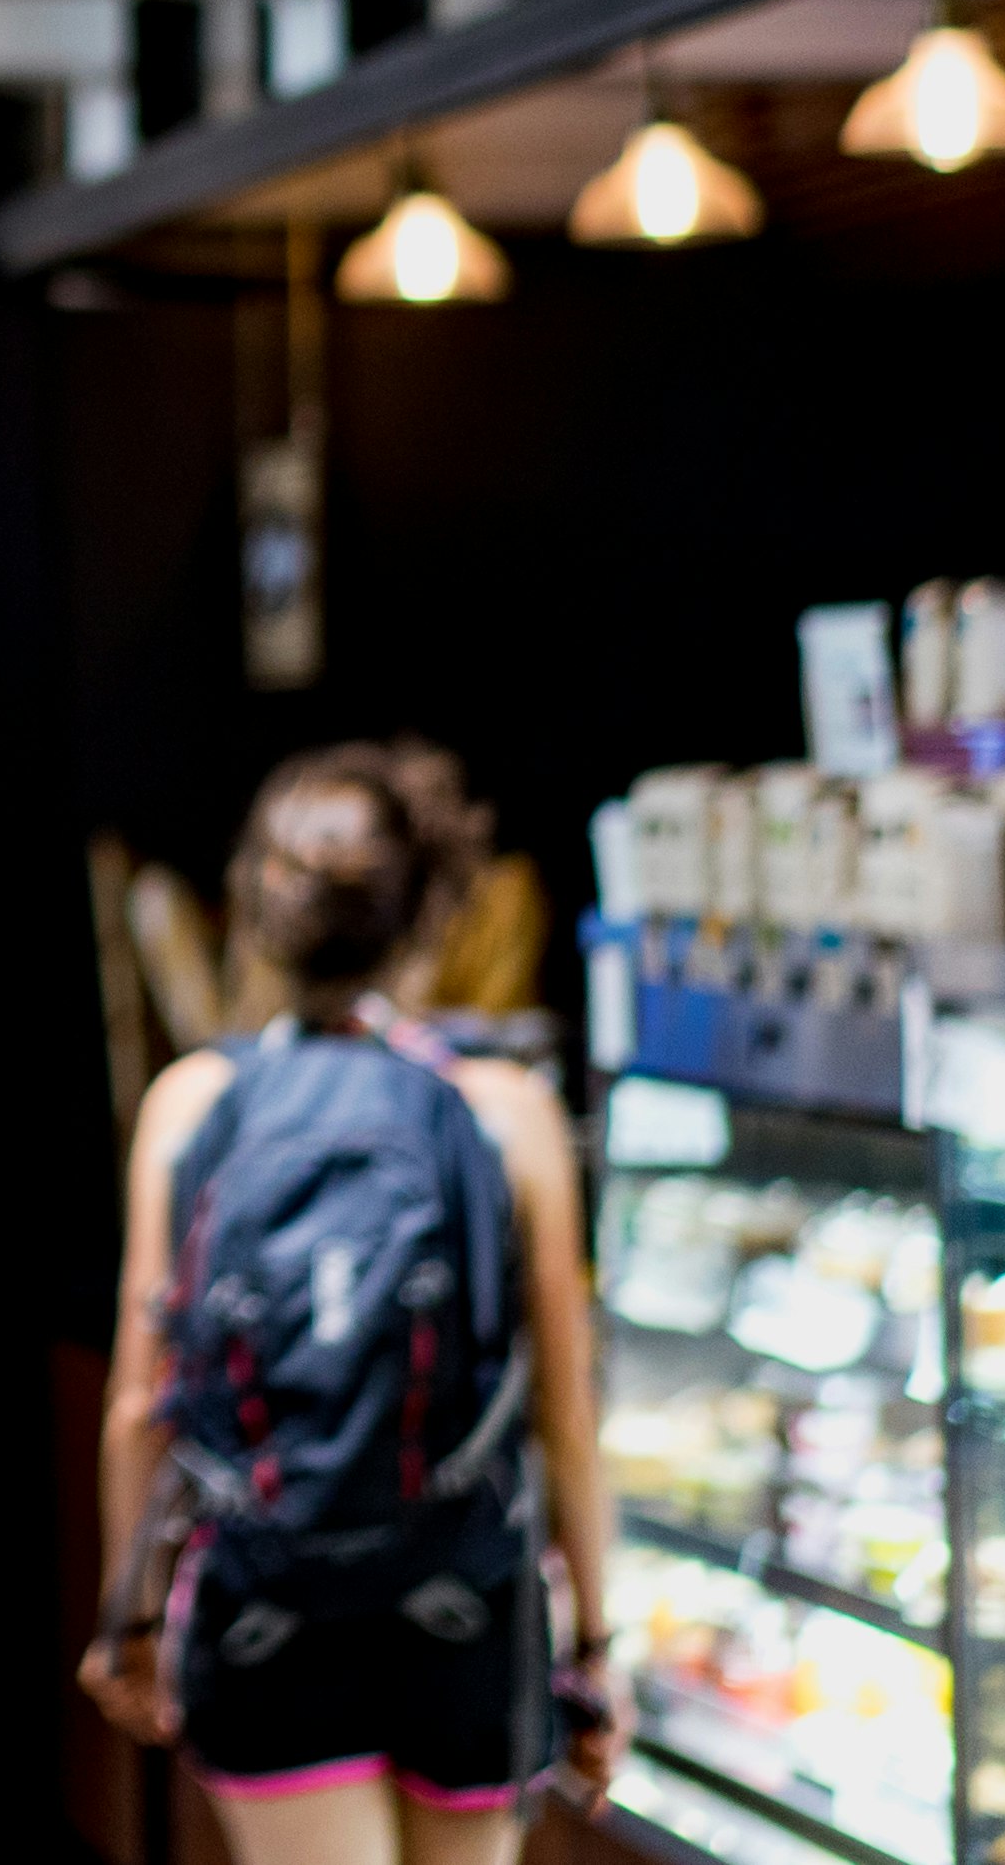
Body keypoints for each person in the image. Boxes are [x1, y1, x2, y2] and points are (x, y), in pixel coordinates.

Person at [87, 746, 616, 1865]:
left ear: (254, 908)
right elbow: (567, 1413)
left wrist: (125, 1616)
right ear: (428, 906)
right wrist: (597, 1650)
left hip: (265, 1602)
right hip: (464, 1605)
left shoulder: (195, 1104)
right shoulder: (505, 1112)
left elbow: (139, 1404)